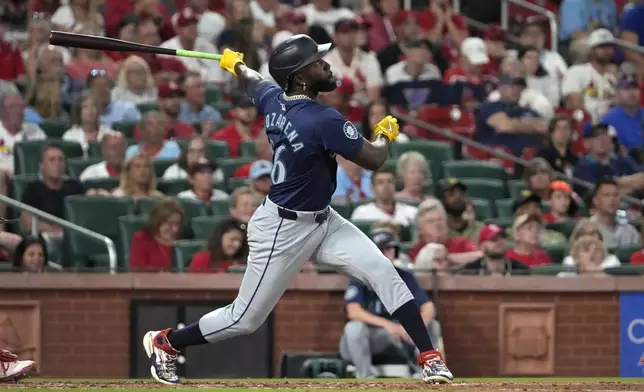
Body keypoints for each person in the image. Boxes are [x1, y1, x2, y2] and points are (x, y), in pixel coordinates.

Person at [142, 34, 453, 385]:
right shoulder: (321, 119)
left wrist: (237, 66)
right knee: (244, 319)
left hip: (323, 220)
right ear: (301, 77)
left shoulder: (275, 98)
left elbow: (255, 81)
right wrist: (385, 135)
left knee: (384, 271)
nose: (327, 66)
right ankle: (165, 342)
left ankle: (430, 357)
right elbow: (375, 158)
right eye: (318, 63)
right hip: (282, 229)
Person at [340, 227, 441, 379]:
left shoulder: (405, 276)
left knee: (433, 325)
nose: (389, 252)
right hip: (374, 336)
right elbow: (353, 312)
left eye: (391, 248)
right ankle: (365, 377)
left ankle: (425, 373)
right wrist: (388, 326)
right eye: (384, 249)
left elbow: (428, 307)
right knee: (354, 328)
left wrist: (414, 329)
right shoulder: (359, 276)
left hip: (403, 334)